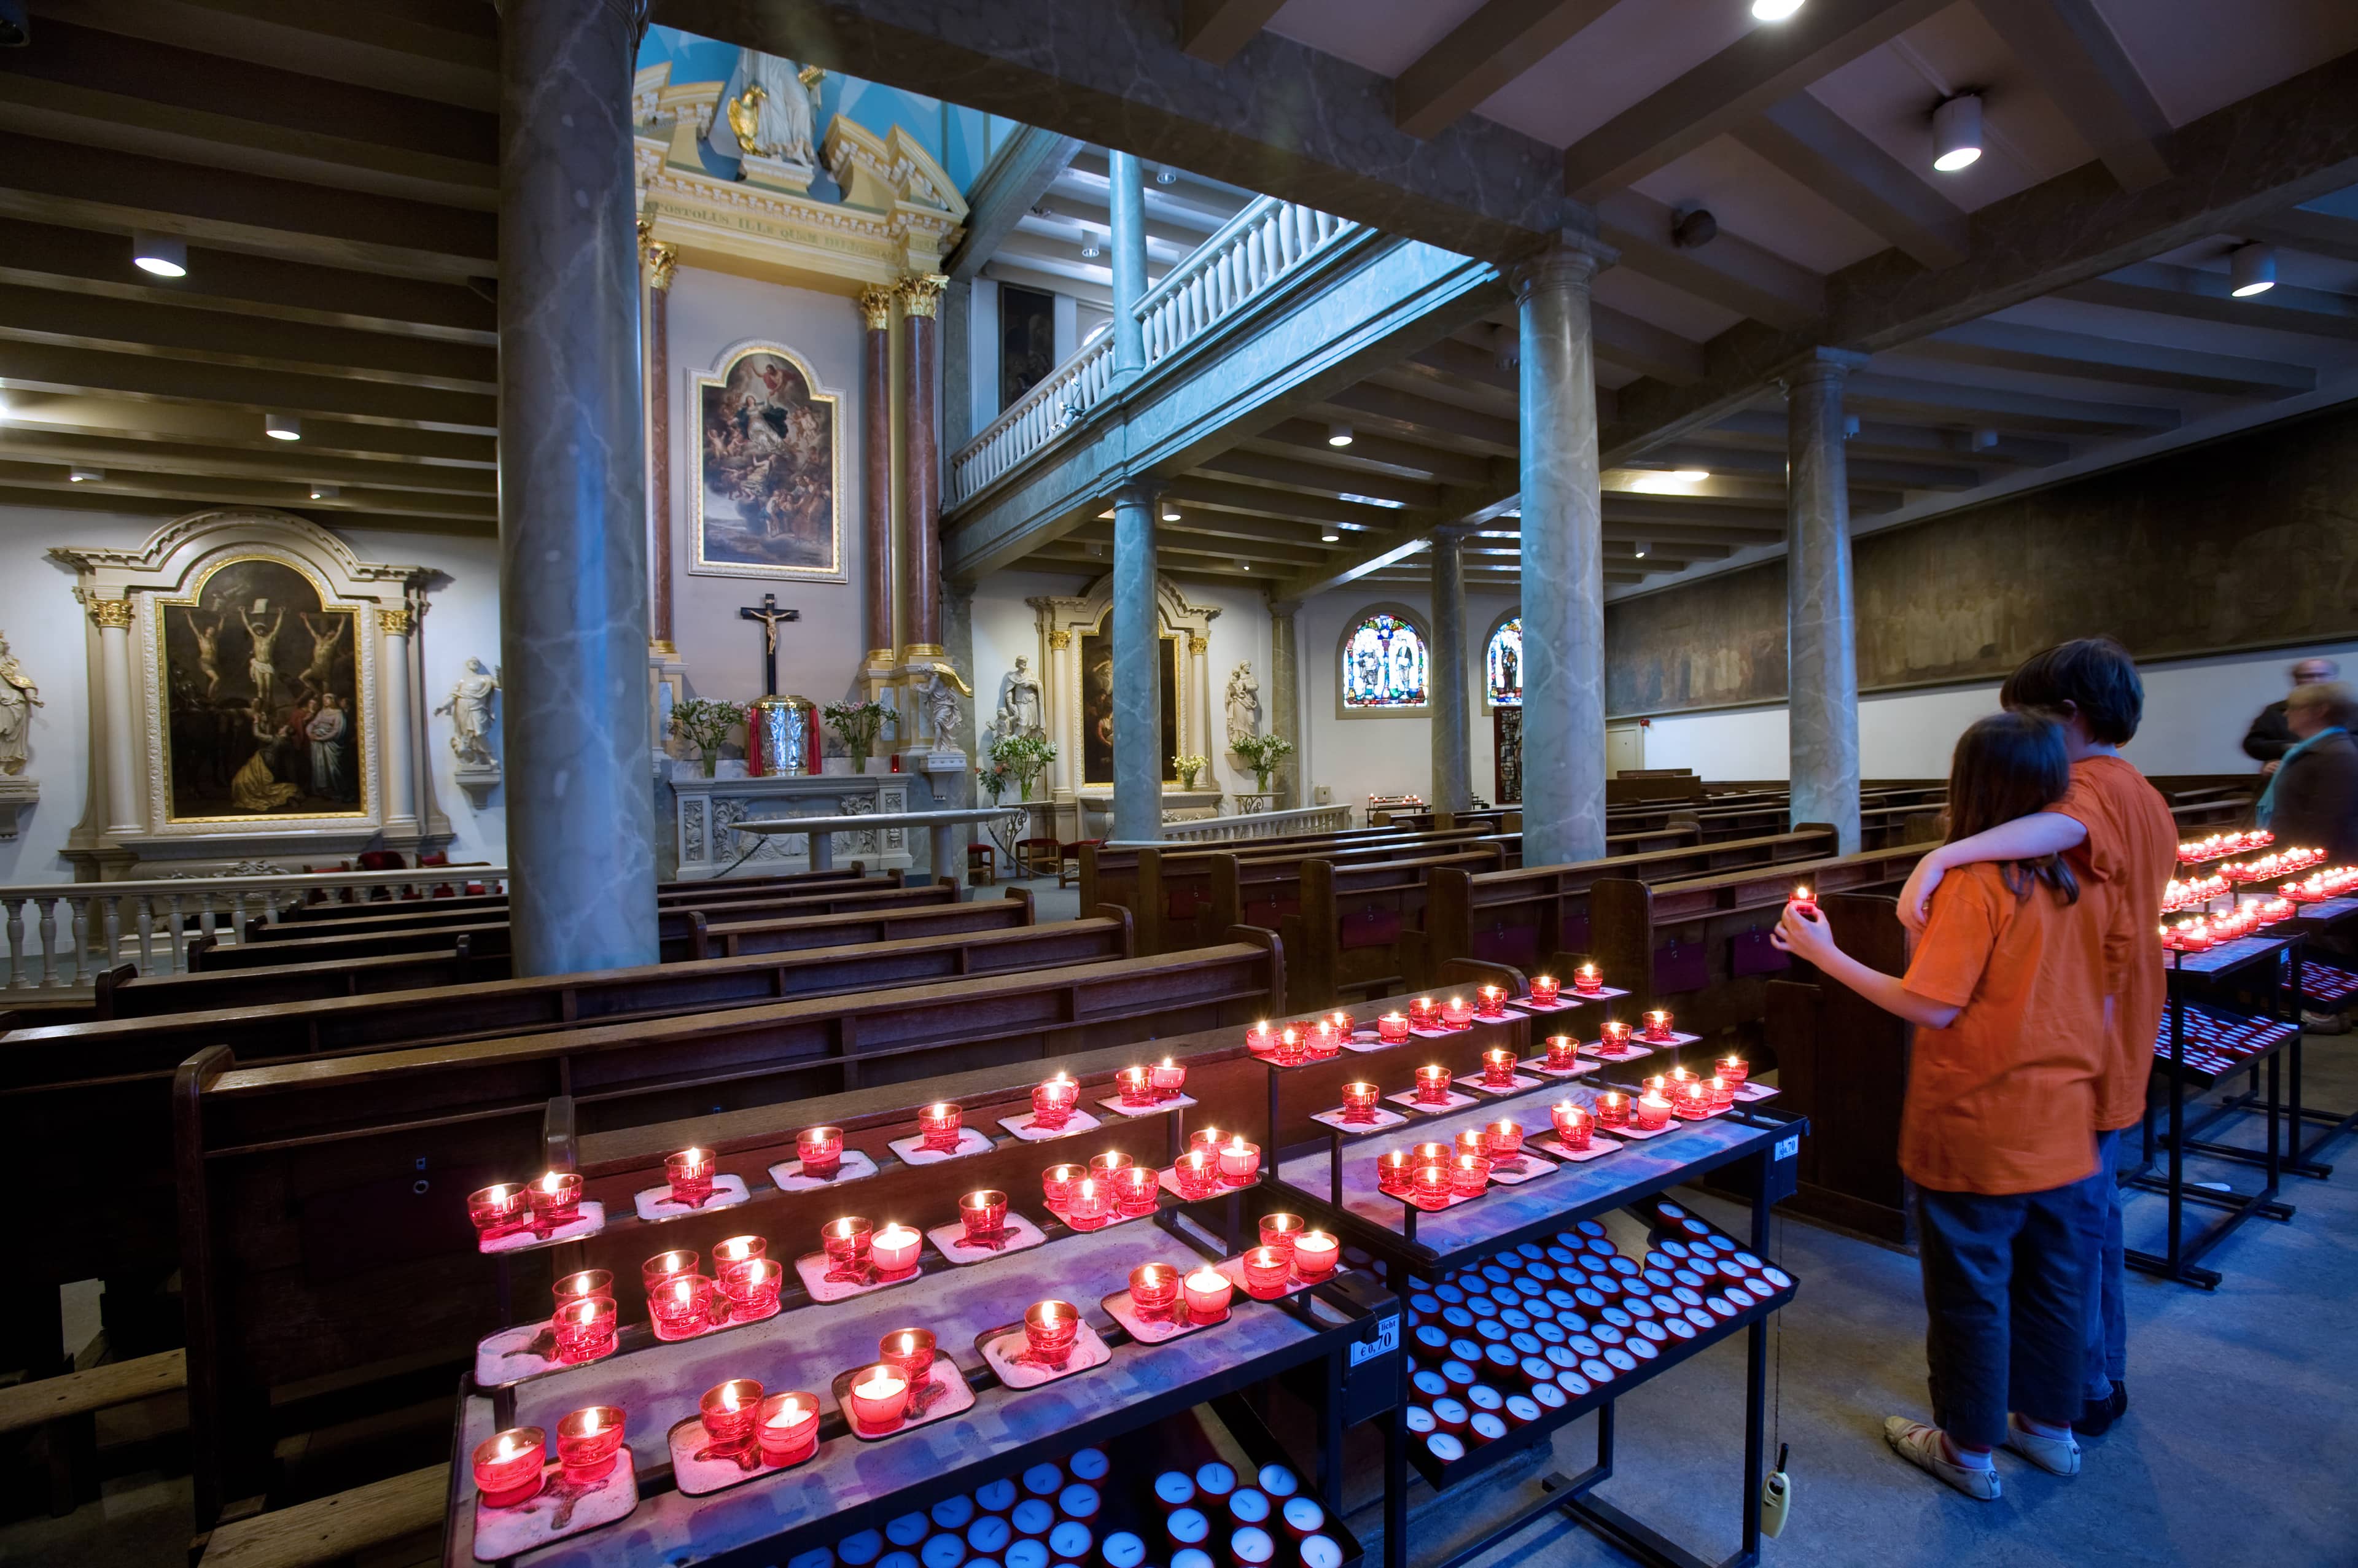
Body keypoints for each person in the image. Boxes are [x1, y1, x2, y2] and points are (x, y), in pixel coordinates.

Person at [1776, 711, 2106, 1500]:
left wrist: (1826, 955)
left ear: (1968, 788)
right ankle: (2051, 1432)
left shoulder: (1975, 884)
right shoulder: (2082, 877)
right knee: (2056, 1280)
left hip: (1980, 1120)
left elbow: (1932, 1005)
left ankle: (1965, 1448)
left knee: (1972, 1288)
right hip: (2064, 1115)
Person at [1895, 637, 2175, 1438]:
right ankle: (2089, 1379)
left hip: (2073, 1050)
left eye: (2031, 716)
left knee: (2070, 1241)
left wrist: (1942, 856)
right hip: (2111, 1039)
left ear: (2070, 717)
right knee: (2090, 1224)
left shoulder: (2083, 790)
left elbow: (2059, 837)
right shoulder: (2143, 791)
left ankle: (2078, 1389)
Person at [2257, 680, 2358, 864]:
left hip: (2320, 862)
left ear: (2320, 711)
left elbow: (2327, 819)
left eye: (2294, 708)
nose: (2286, 714)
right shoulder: (2311, 750)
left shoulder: (2337, 754)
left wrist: (2301, 863)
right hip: (2299, 853)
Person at [2243, 656, 2340, 772]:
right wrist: (2288, 747)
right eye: (2308, 676)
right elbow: (2253, 745)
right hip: (2288, 776)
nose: (2316, 680)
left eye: (2322, 675)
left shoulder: (2349, 709)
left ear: (2334, 677)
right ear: (2295, 680)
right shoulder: (2275, 711)